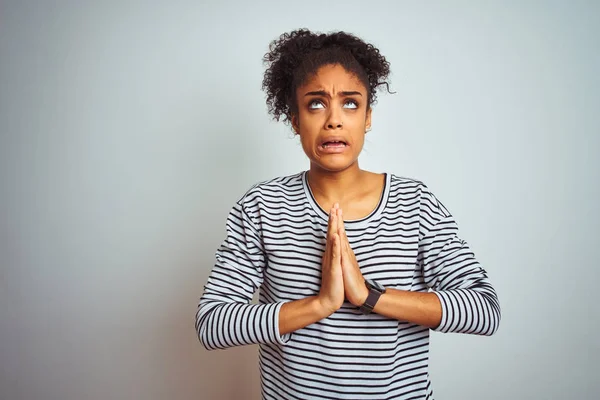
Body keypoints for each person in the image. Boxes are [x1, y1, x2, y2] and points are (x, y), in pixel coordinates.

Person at [196, 29, 501, 399]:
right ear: (294, 119)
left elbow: (484, 310)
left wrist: (368, 296)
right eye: (316, 104)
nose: (334, 121)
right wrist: (320, 304)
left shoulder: (415, 203)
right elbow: (212, 323)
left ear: (368, 116)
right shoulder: (263, 207)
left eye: (351, 103)